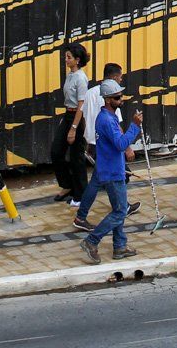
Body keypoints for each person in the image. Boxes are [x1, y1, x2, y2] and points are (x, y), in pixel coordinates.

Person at [79, 79, 142, 263]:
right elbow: (121, 144)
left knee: (118, 209)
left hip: (112, 169)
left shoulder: (108, 116)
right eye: (117, 97)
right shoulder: (107, 120)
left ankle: (120, 246)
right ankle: (91, 241)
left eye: (120, 96)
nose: (121, 100)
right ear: (107, 100)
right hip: (112, 172)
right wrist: (134, 126)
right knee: (120, 212)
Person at [73, 64, 140, 226]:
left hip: (93, 142)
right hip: (108, 147)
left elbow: (84, 117)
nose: (121, 80)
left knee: (97, 181)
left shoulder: (89, 93)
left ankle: (81, 216)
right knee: (118, 178)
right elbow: (117, 126)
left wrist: (87, 139)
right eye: (120, 77)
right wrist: (128, 146)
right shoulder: (112, 98)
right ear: (114, 77)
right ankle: (120, 209)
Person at [52, 44, 91, 202]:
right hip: (68, 114)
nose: (66, 60)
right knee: (56, 152)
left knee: (77, 157)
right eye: (66, 57)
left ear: (77, 59)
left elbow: (81, 105)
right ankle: (67, 184)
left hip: (77, 117)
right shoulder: (70, 75)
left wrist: (74, 128)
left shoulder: (81, 78)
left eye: (69, 57)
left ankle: (81, 194)